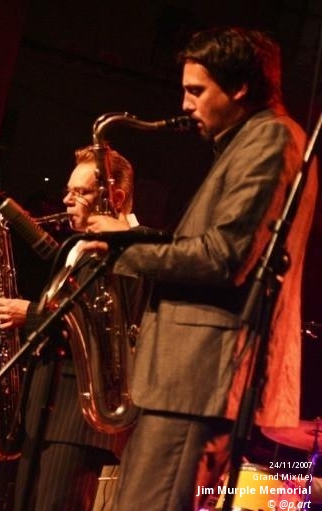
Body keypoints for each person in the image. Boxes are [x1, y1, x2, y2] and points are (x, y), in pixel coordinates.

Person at [93, 27, 318, 510]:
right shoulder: (249, 140)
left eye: (197, 90)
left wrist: (123, 249)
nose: (185, 103)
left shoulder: (271, 137)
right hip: (187, 382)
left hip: (198, 380)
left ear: (239, 87)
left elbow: (224, 257)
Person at [0, 146, 140, 511]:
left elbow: (103, 328)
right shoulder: (81, 248)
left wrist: (32, 314)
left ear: (115, 198)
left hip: (77, 418)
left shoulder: (134, 249)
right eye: (68, 191)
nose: (66, 200)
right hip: (45, 409)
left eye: (80, 192)